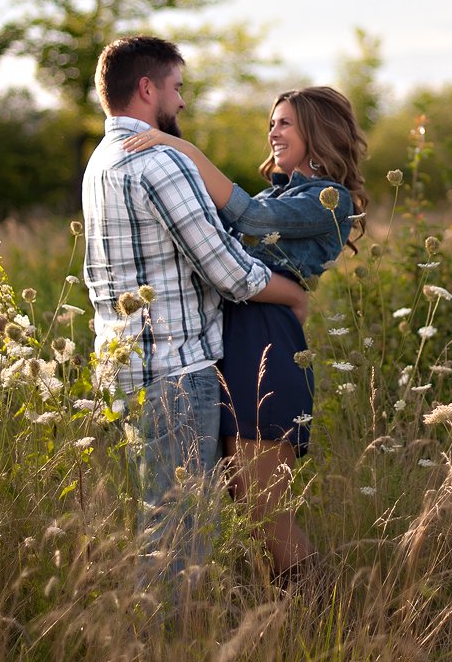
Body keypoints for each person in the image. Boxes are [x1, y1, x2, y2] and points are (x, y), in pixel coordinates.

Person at [81, 36, 308, 579]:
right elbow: (230, 272)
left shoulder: (99, 161)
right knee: (179, 534)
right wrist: (292, 292)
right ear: (146, 88)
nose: (181, 102)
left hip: (126, 369)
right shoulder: (160, 161)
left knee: (165, 521)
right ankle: (161, 655)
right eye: (176, 88)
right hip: (175, 372)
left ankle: (159, 649)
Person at [123, 86, 368, 586]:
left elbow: (251, 220)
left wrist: (183, 149)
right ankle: (282, 616)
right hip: (231, 342)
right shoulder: (275, 193)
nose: (273, 133)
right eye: (271, 123)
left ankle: (325, 615)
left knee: (265, 511)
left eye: (285, 124)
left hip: (267, 342)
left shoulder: (329, 201)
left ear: (317, 133)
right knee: (240, 501)